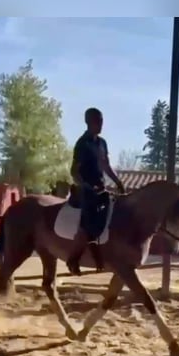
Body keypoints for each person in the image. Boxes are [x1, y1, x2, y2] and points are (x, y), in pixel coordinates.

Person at [66, 107, 125, 275]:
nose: (100, 124)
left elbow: (106, 165)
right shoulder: (82, 144)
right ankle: (74, 258)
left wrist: (118, 182)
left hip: (101, 188)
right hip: (87, 189)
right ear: (88, 122)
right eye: (97, 121)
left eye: (101, 121)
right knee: (89, 221)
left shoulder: (102, 143)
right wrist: (85, 186)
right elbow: (74, 171)